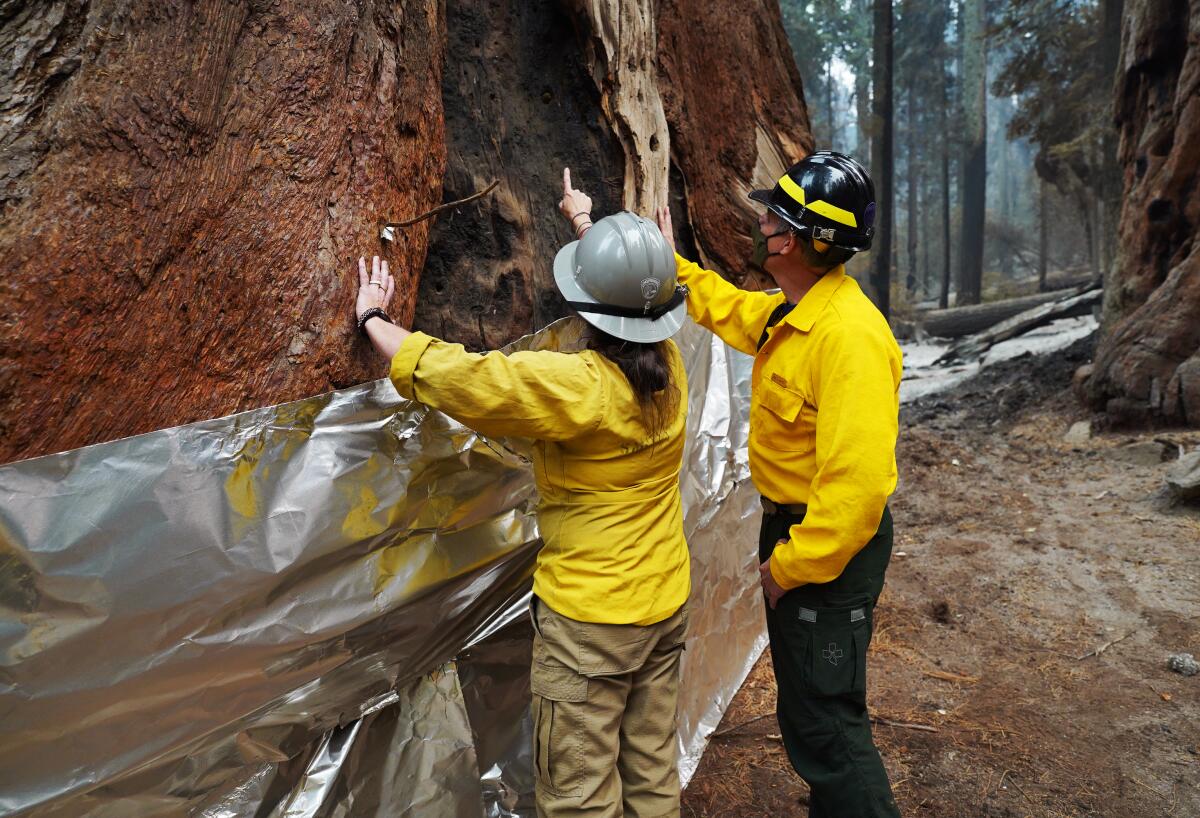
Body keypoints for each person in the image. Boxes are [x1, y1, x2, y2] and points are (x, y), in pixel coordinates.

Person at [353, 168, 692, 818]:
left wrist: (375, 319)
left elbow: (473, 381)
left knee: (579, 797)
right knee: (652, 780)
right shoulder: (667, 363)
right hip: (664, 603)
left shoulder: (580, 388)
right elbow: (632, 299)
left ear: (591, 305)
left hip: (593, 625)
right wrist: (585, 220)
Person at [654, 151, 904, 817]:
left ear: (790, 239)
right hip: (800, 535)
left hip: (823, 549)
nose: (759, 223)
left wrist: (787, 568)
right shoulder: (799, 311)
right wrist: (672, 266)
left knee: (827, 724)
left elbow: (856, 494)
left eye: (770, 215)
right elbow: (732, 310)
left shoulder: (849, 338)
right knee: (809, 708)